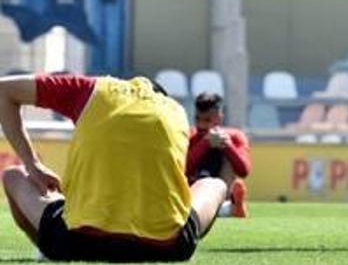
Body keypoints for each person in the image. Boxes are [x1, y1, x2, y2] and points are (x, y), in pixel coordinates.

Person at [0, 73, 227, 262]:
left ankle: (46, 252)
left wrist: (33, 164)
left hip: (75, 241)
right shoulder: (176, 111)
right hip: (167, 247)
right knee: (214, 184)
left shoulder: (90, 89)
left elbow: (4, 90)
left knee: (13, 175)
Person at [187, 92, 252, 218]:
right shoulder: (189, 136)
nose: (200, 125)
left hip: (221, 191)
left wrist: (227, 146)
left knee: (227, 158)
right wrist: (204, 143)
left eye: (207, 120)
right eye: (197, 119)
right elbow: (183, 169)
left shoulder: (234, 136)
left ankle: (229, 204)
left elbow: (243, 171)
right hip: (193, 191)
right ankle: (230, 209)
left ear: (220, 118)